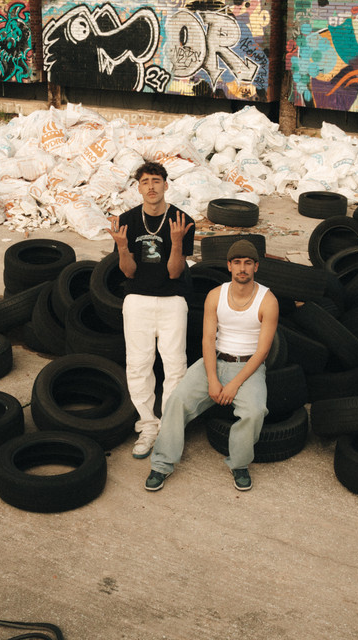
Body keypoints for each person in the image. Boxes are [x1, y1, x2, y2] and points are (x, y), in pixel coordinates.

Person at [145, 239, 279, 491]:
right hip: (214, 361)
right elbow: (207, 339)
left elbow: (263, 351)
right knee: (177, 400)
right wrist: (213, 379)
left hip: (248, 367)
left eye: (247, 263)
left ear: (256, 267)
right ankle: (162, 464)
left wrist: (234, 385)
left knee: (254, 411)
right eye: (237, 262)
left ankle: (239, 464)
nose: (242, 268)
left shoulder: (268, 300)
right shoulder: (216, 295)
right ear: (229, 266)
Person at [108, 161, 195, 458]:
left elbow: (174, 272)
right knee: (138, 364)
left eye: (156, 181)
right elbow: (128, 272)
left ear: (166, 185)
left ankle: (168, 428)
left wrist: (176, 242)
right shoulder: (127, 221)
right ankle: (147, 426)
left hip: (172, 300)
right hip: (137, 301)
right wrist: (122, 247)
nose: (151, 187)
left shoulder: (182, 220)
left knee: (175, 366)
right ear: (138, 188)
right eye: (145, 182)